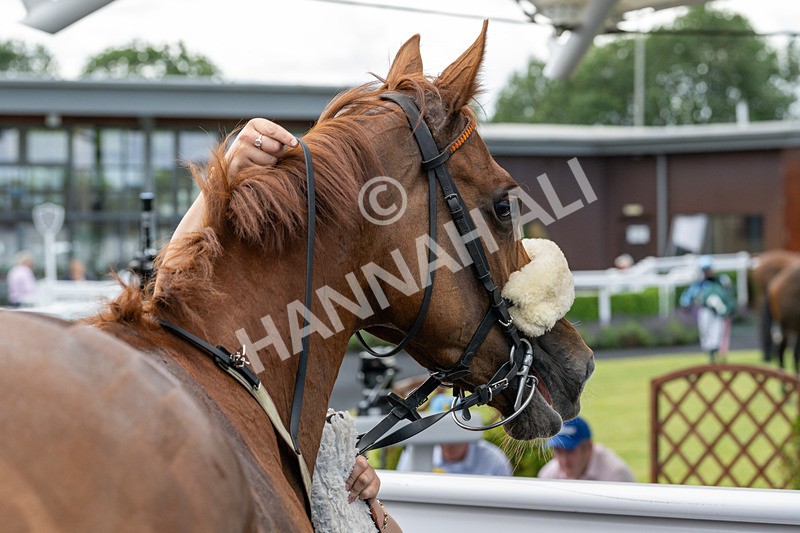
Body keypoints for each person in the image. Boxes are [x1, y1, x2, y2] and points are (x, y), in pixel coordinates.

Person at [168, 119, 402, 532]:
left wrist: (361, 503)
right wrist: (222, 177)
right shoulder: (190, 364)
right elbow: (164, 293)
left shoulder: (311, 419)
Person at [395, 393, 513, 476]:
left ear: (467, 429)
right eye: (439, 432)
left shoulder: (494, 459)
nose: (447, 442)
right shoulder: (414, 454)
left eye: (455, 430)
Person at [537, 416, 635, 482]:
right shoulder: (548, 475)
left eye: (570, 451)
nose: (564, 460)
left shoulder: (615, 476)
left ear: (588, 448)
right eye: (558, 451)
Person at [679, 255, 737, 363]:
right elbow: (688, 296)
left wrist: (729, 308)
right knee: (705, 331)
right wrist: (685, 303)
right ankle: (710, 352)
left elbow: (729, 294)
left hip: (719, 312)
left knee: (717, 331)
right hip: (705, 310)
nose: (706, 271)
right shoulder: (699, 284)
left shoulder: (720, 281)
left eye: (708, 269)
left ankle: (717, 352)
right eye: (704, 269)